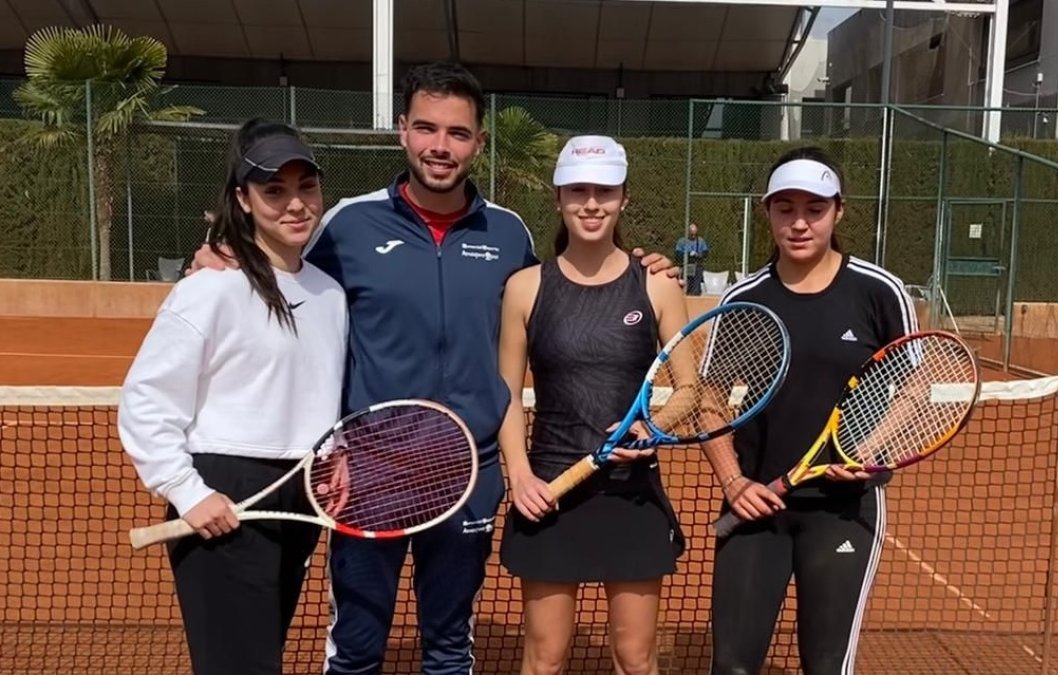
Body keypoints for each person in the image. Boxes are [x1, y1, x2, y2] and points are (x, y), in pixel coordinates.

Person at [186, 61, 679, 674]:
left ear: (478, 142)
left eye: (457, 132)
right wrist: (212, 253)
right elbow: (277, 267)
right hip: (367, 475)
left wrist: (644, 265)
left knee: (450, 647)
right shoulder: (347, 224)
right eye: (425, 128)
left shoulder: (508, 233)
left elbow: (571, 281)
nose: (439, 146)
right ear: (402, 131)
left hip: (470, 473)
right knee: (358, 645)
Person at [118, 119, 347, 675]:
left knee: (259, 656)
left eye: (306, 188)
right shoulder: (211, 288)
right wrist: (188, 491)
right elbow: (146, 401)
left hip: (298, 494)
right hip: (226, 492)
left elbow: (315, 387)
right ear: (243, 199)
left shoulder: (329, 292)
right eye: (274, 191)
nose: (295, 205)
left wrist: (333, 449)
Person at [701, 146, 918, 675]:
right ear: (767, 211)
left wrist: (869, 451)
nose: (799, 223)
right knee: (731, 666)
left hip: (843, 509)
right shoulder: (745, 299)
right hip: (758, 506)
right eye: (785, 208)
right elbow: (708, 400)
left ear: (838, 211)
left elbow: (913, 386)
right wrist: (734, 483)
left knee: (826, 665)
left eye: (814, 209)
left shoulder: (878, 291)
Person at [496, 135, 689, 675]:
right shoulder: (524, 288)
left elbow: (690, 390)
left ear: (623, 198)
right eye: (578, 190)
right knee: (545, 658)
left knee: (635, 657)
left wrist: (650, 428)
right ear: (558, 198)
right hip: (551, 492)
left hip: (631, 496)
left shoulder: (657, 286)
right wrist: (520, 475)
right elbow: (506, 393)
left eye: (604, 190)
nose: (591, 203)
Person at [674, 222, 709, 295]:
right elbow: (677, 254)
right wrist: (688, 254)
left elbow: (705, 252)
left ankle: (695, 293)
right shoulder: (682, 241)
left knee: (697, 274)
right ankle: (685, 292)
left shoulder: (700, 241)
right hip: (686, 264)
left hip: (697, 264)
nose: (693, 236)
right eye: (691, 234)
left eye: (694, 234)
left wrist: (699, 254)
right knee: (686, 281)